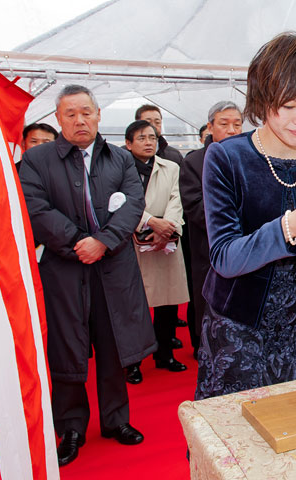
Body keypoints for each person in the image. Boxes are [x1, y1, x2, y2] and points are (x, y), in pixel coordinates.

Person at [195, 32, 296, 400]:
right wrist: (286, 229)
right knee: (235, 440)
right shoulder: (227, 158)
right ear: (263, 99)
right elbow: (224, 257)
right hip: (239, 328)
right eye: (289, 105)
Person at [19, 84, 155, 466]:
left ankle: (116, 421)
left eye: (86, 112)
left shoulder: (120, 159)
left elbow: (133, 204)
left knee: (114, 345)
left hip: (114, 267)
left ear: (98, 115)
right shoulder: (37, 160)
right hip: (64, 269)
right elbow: (37, 209)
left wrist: (105, 241)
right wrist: (80, 242)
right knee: (67, 347)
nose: (79, 120)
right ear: (58, 119)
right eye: (70, 114)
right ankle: (71, 427)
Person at [125, 119, 189, 376]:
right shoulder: (119, 167)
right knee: (134, 306)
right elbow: (120, 202)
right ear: (128, 144)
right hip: (132, 241)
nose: (148, 142)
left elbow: (177, 198)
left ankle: (165, 355)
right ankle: (133, 362)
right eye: (141, 138)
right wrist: (149, 222)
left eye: (152, 137)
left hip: (166, 244)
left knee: (167, 304)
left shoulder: (171, 166)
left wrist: (168, 229)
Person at [179, 101, 243, 359]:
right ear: (210, 127)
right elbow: (194, 205)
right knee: (209, 300)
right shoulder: (194, 161)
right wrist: (233, 222)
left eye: (237, 124)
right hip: (210, 245)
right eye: (224, 124)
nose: (231, 130)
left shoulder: (249, 157)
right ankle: (204, 346)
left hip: (246, 245)